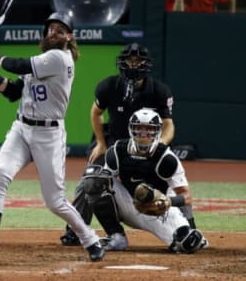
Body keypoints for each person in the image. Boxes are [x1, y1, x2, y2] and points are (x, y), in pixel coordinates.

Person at [0, 12, 105, 262]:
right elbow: (12, 92)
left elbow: (15, 65)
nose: (54, 32)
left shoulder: (59, 58)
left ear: (69, 37)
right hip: (21, 129)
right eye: (51, 28)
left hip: (48, 135)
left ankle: (90, 238)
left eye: (60, 29)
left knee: (54, 201)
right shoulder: (41, 60)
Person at [60, 42, 198, 248]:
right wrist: (100, 142)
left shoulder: (159, 91)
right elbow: (95, 113)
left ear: (146, 64)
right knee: (91, 178)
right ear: (122, 63)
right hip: (115, 143)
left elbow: (168, 124)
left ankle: (190, 225)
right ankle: (75, 229)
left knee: (171, 178)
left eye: (138, 61)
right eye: (129, 61)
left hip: (149, 145)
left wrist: (158, 146)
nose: (133, 65)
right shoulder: (109, 86)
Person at [79, 108, 208, 254]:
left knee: (188, 243)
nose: (144, 133)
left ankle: (187, 231)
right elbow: (102, 184)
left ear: (158, 131)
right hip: (129, 204)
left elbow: (186, 196)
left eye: (149, 129)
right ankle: (116, 235)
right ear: (131, 130)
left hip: (159, 208)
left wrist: (168, 202)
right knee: (94, 179)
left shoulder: (167, 159)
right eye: (139, 128)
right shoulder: (118, 150)